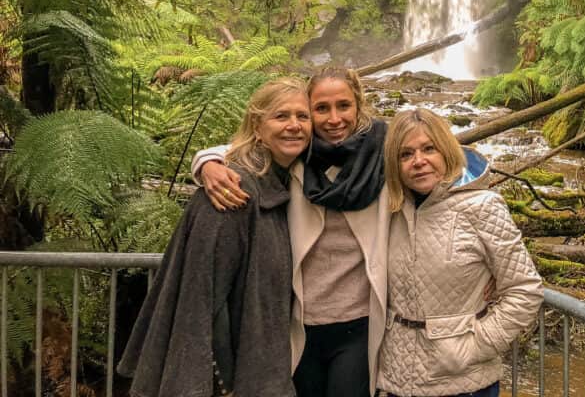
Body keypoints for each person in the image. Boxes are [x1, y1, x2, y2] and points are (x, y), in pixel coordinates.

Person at [190, 68, 389, 397]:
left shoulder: (381, 156)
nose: (334, 118)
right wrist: (206, 162)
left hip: (359, 321)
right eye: (321, 109)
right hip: (297, 323)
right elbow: (244, 150)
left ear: (359, 106)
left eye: (344, 106)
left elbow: (434, 158)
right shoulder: (299, 157)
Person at [119, 76, 311, 397]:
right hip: (230, 377)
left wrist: (205, 158)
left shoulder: (288, 180)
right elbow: (201, 298)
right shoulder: (231, 191)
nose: (294, 125)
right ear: (258, 127)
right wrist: (224, 379)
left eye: (302, 116)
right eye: (281, 116)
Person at [377, 108, 543, 397]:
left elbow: (525, 289)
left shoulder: (483, 206)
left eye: (429, 149)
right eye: (406, 154)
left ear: (446, 151)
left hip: (463, 381)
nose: (419, 161)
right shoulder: (390, 210)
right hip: (397, 380)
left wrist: (477, 345)